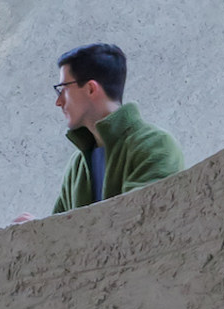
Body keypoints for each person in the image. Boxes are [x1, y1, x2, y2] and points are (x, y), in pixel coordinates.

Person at [49, 45, 183, 213]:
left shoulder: (156, 145)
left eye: (62, 89)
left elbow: (138, 221)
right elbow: (57, 232)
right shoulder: (76, 165)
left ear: (91, 88)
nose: (58, 101)